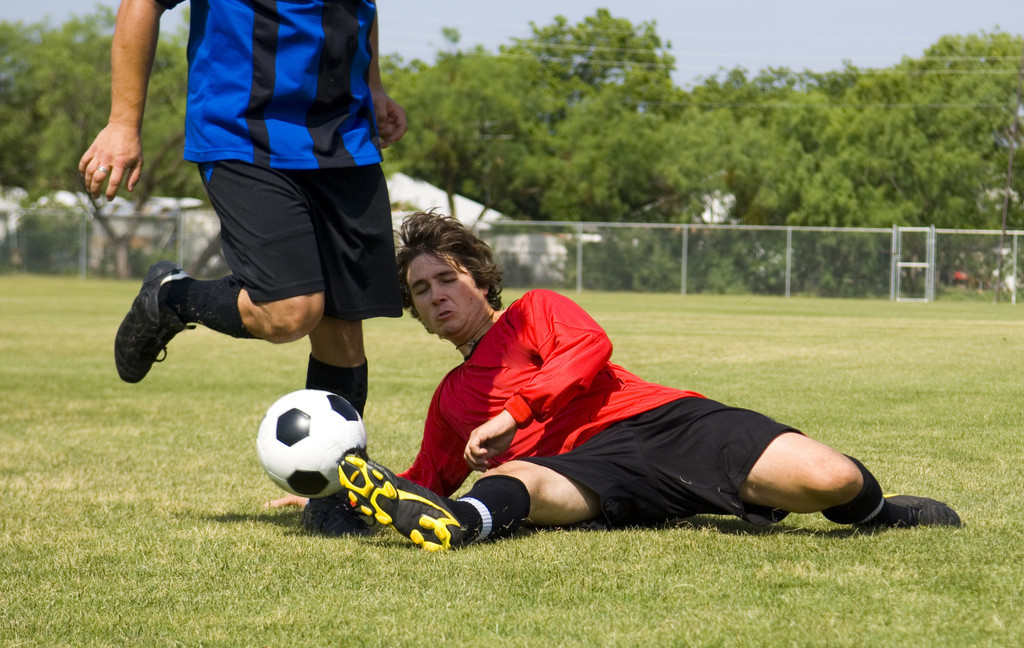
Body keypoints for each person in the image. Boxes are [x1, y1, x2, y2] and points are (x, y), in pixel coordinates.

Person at [329, 210, 962, 551]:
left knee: (832, 479)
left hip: (660, 423)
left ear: (480, 279)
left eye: (447, 279)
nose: (436, 296)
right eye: (421, 290)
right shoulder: (449, 400)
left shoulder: (533, 312)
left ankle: (880, 515)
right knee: (510, 480)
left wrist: (513, 414)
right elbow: (423, 482)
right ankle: (465, 527)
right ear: (417, 313)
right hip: (584, 474)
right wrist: (330, 491)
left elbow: (588, 349)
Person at [79, 0, 405, 532]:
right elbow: (141, 5)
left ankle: (335, 496)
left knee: (344, 330)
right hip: (245, 133)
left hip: (347, 141)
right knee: (289, 312)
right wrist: (122, 122)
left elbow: (358, 10)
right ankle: (171, 298)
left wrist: (375, 86)